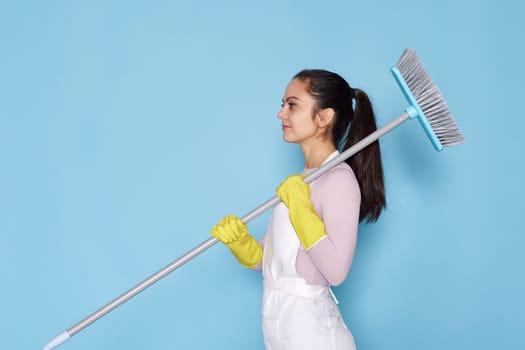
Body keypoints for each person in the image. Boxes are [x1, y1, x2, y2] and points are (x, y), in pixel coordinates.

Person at [211, 69, 386, 350]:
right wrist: (242, 245)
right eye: (282, 105)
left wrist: (301, 208)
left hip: (317, 338)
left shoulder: (338, 180)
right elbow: (273, 263)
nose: (281, 114)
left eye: (292, 105)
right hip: (281, 333)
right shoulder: (301, 180)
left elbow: (336, 272)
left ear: (324, 117)